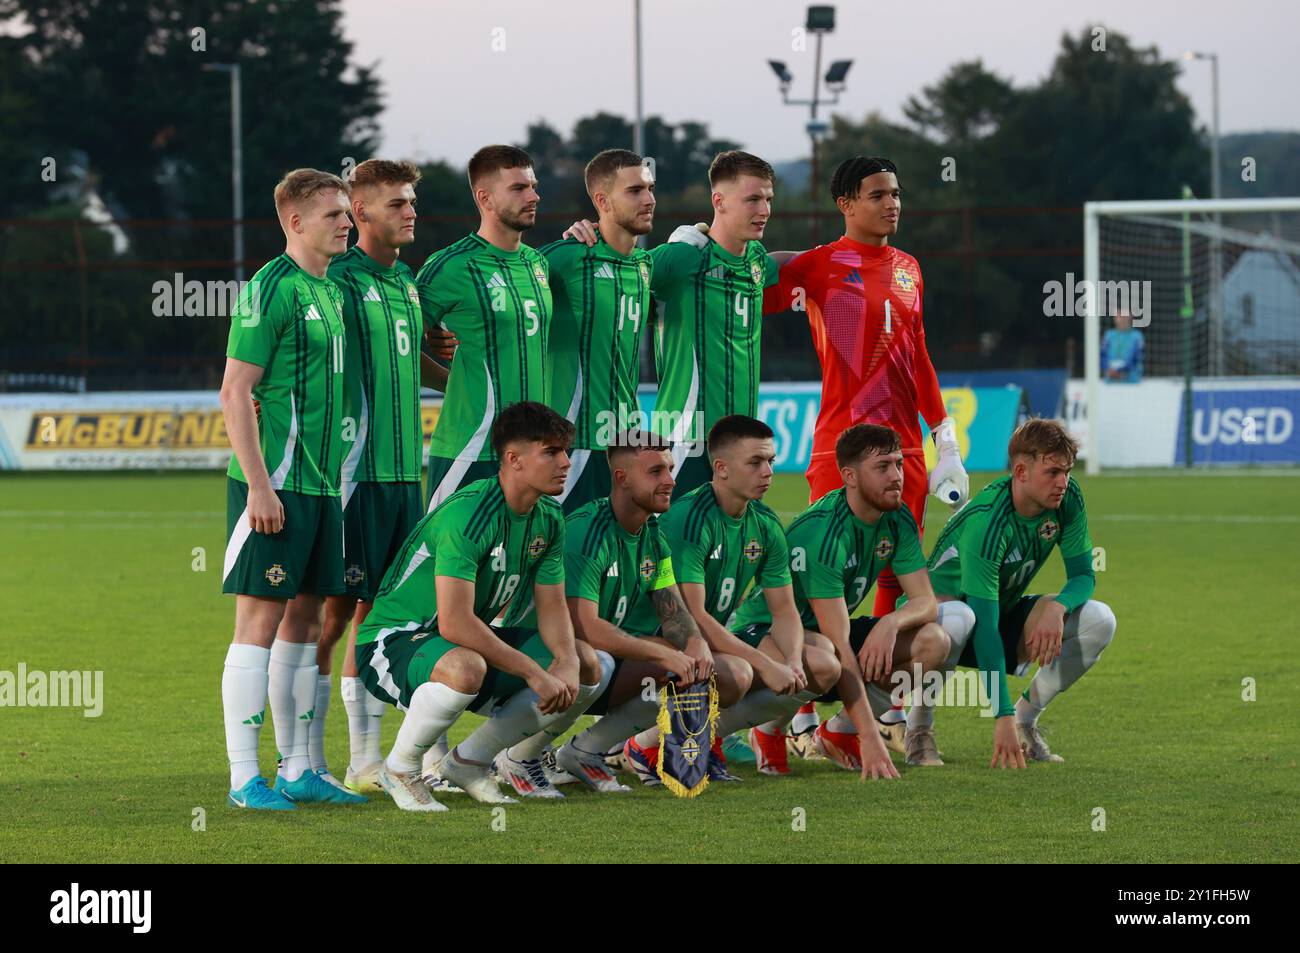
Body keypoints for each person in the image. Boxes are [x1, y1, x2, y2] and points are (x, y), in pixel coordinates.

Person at [354, 402, 607, 811]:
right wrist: (534, 673)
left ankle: (468, 762)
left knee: (587, 662)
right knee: (466, 666)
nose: (565, 462)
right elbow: (454, 624)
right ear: (513, 459)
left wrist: (563, 659)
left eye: (566, 451)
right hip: (392, 643)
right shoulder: (469, 515)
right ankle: (400, 768)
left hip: (459, 646)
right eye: (551, 452)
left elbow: (554, 605)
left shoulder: (550, 517)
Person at [219, 168, 366, 809]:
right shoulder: (268, 289)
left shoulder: (330, 290)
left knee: (304, 623)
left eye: (347, 212)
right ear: (296, 222)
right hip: (275, 485)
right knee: (257, 624)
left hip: (321, 488)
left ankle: (298, 767)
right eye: (333, 213)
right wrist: (258, 486)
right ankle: (242, 778)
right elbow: (234, 390)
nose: (347, 221)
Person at [729, 424, 974, 779]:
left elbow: (926, 601)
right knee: (826, 660)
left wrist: (890, 623)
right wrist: (872, 737)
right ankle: (759, 730)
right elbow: (841, 646)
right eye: (883, 467)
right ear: (850, 476)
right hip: (763, 631)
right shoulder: (825, 533)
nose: (896, 477)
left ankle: (839, 732)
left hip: (824, 634)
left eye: (899, 464)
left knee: (934, 641)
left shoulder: (897, 516)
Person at [916, 418, 1115, 768]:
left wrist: (1058, 608)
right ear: (1021, 471)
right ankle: (918, 728)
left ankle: (1027, 721)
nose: (1063, 483)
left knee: (1099, 620)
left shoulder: (1068, 500)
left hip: (996, 613)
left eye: (1067, 471)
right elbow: (985, 628)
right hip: (933, 627)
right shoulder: (988, 521)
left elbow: (1084, 575)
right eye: (1052, 472)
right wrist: (999, 715)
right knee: (960, 619)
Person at [653, 415, 840, 778]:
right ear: (721, 468)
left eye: (770, 460)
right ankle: (645, 743)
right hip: (670, 637)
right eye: (755, 462)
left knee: (822, 665)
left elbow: (785, 612)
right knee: (738, 673)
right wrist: (768, 664)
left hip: (713, 641)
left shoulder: (766, 523)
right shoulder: (690, 519)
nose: (767, 471)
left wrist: (793, 659)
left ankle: (712, 739)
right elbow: (691, 618)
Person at [417, 144, 552, 511]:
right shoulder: (450, 266)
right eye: (519, 188)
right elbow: (397, 348)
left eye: (533, 186)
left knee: (521, 566)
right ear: (485, 198)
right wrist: (453, 382)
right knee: (449, 564)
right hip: (472, 450)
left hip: (534, 453)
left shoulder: (538, 264)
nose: (533, 196)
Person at [539, 149, 655, 513]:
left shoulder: (644, 265)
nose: (649, 200)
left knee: (621, 564)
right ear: (602, 201)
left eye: (650, 189)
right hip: (575, 443)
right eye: (635, 191)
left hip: (628, 444)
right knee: (564, 560)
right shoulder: (566, 257)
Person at [1101, 308, 1144, 382]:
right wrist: (1108, 369)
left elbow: (1136, 358)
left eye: (1125, 315)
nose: (1122, 318)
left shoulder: (1137, 336)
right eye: (1119, 315)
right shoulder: (1108, 335)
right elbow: (1102, 356)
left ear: (1131, 316)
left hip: (1131, 382)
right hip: (1110, 382)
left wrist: (1120, 370)